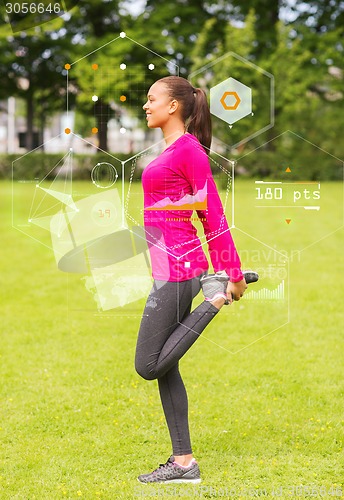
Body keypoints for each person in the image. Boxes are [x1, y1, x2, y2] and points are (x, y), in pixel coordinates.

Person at [135, 76, 247, 484]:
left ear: (174, 107)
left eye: (152, 100)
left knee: (147, 365)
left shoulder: (189, 152)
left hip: (182, 271)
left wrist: (231, 274)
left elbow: (212, 215)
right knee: (166, 367)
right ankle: (184, 464)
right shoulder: (171, 150)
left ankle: (214, 299)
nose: (146, 106)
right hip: (168, 269)